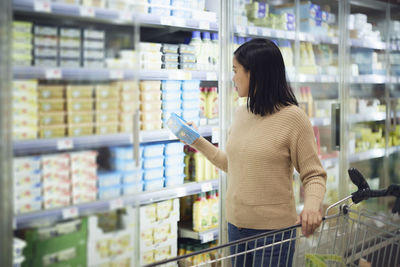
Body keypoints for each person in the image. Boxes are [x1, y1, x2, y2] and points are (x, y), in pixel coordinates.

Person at [187, 38, 327, 266]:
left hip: (272, 235)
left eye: (236, 71)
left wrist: (311, 207)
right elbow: (233, 165)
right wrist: (197, 141)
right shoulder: (242, 112)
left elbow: (313, 175)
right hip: (235, 227)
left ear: (255, 74)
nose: (233, 78)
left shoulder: (294, 118)